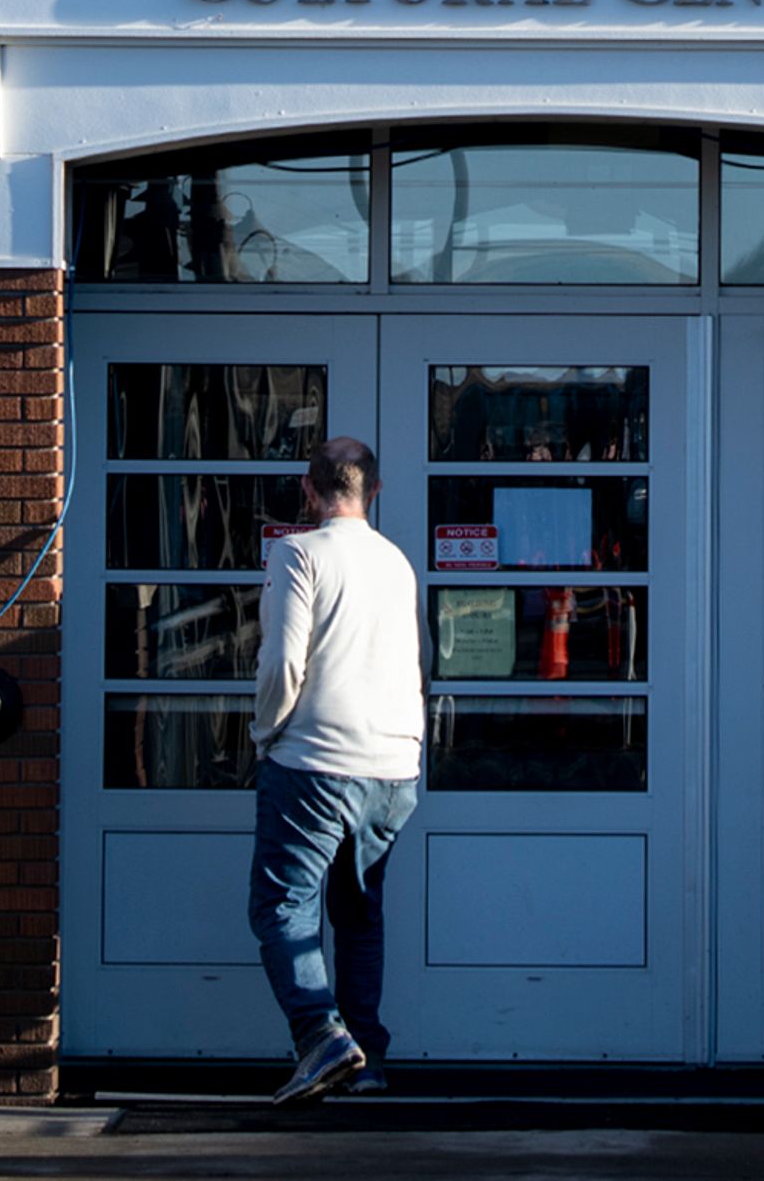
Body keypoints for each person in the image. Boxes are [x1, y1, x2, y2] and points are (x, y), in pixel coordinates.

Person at [249, 434, 423, 1104]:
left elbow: (282, 662)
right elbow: (421, 661)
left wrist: (265, 734)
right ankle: (367, 1059)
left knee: (281, 904)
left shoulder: (298, 552)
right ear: (373, 491)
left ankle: (320, 1035)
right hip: (392, 767)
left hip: (314, 762)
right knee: (358, 913)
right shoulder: (399, 563)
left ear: (307, 488)